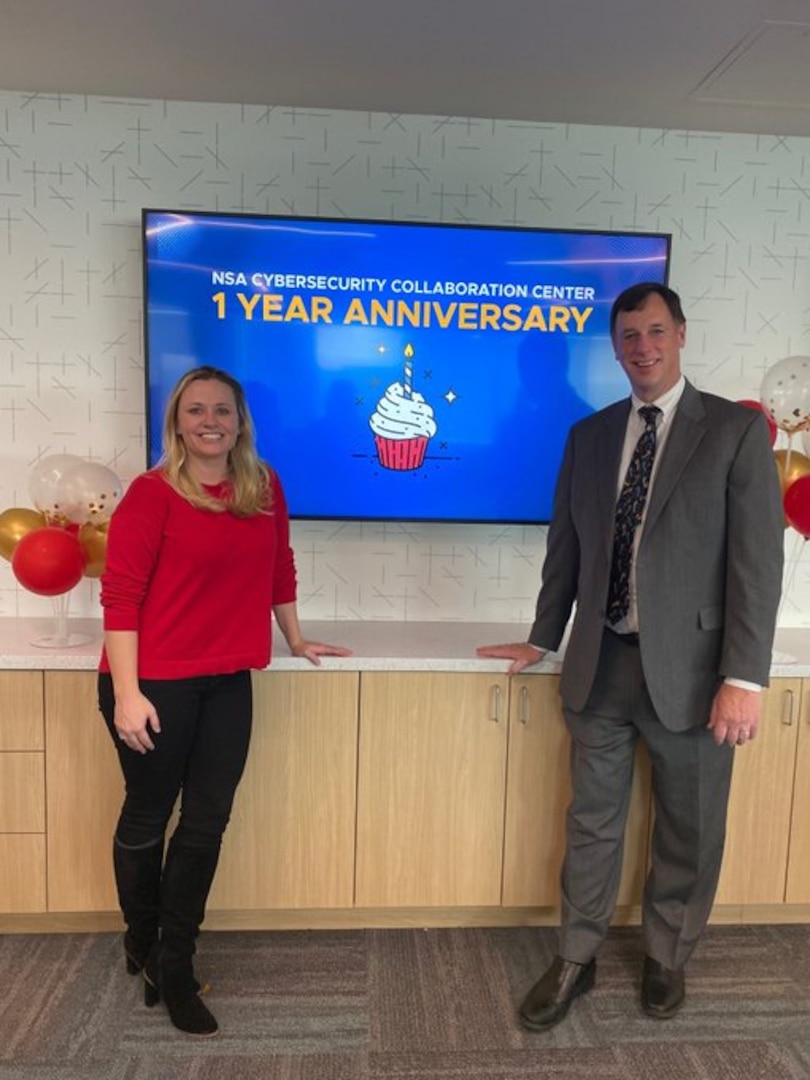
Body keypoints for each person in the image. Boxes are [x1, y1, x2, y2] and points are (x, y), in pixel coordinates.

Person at [478, 282, 783, 1030]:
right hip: (602, 661)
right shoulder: (589, 436)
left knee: (690, 824)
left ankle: (666, 955)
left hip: (697, 673)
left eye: (654, 331)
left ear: (680, 333)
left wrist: (742, 679)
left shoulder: (735, 434)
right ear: (615, 347)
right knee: (592, 821)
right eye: (628, 337)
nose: (642, 348)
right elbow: (567, 550)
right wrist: (544, 634)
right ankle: (575, 958)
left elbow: (757, 565)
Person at [98, 365, 351, 1037]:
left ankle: (173, 964)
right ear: (177, 423)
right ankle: (141, 936)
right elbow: (119, 598)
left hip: (228, 678)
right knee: (148, 817)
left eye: (222, 410)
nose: (210, 421)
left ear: (240, 421)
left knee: (207, 824)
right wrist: (127, 695)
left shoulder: (263, 486)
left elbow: (278, 566)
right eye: (195, 410)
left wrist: (296, 639)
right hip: (151, 683)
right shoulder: (151, 495)